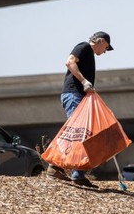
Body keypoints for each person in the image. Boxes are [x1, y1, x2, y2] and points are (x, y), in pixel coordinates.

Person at [46, 31, 114, 187]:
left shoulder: (89, 54)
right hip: (72, 94)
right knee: (77, 133)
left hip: (77, 96)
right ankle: (57, 168)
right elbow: (70, 62)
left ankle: (75, 174)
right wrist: (84, 82)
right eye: (106, 48)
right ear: (101, 41)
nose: (104, 52)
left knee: (79, 134)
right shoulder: (83, 47)